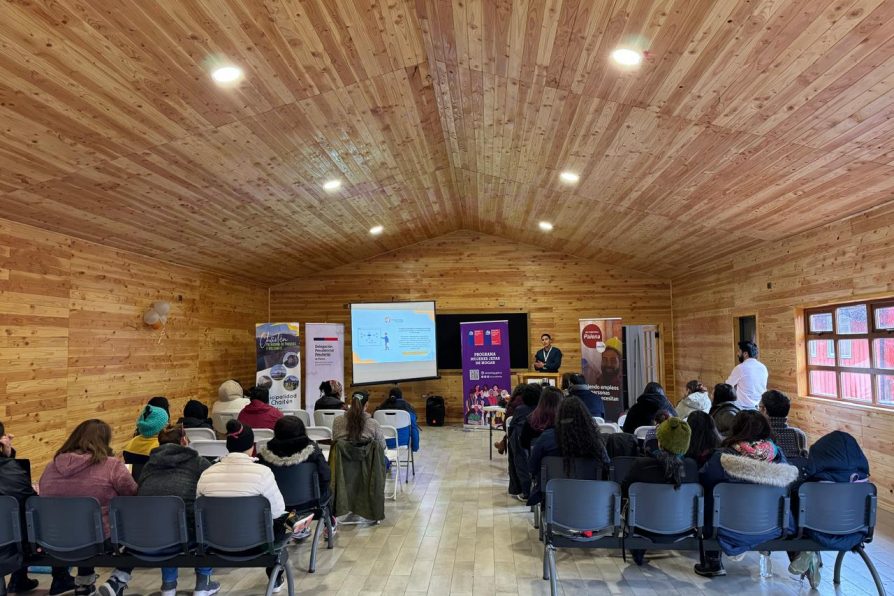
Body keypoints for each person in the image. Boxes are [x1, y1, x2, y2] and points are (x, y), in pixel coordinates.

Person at [39, 419, 138, 596]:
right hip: (98, 539)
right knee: (138, 526)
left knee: (82, 523)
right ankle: (119, 578)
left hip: (54, 538)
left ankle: (84, 583)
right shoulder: (111, 465)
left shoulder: (50, 467)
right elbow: (133, 495)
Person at [695, 411, 799, 577]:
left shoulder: (721, 458)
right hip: (773, 527)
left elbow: (704, 480)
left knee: (711, 497)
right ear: (766, 428)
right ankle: (798, 554)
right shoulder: (778, 455)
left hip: (727, 528)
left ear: (736, 429)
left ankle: (713, 561)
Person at [197, 420, 287, 592]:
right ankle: (274, 577)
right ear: (252, 447)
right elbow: (277, 511)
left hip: (215, 544)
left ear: (227, 446)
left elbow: (199, 513)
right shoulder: (263, 473)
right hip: (257, 543)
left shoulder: (206, 474)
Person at [137, 425, 216, 596]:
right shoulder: (198, 462)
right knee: (205, 520)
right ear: (183, 441)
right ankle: (203, 582)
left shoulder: (149, 466)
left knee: (165, 518)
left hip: (148, 534)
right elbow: (212, 491)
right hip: (187, 536)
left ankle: (168, 585)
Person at [787, 431, 870, 586]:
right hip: (855, 532)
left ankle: (805, 553)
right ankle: (808, 555)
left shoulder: (810, 484)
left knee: (793, 500)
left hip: (816, 531)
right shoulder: (864, 484)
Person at [622, 417, 696, 565]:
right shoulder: (692, 468)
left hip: (643, 527)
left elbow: (625, 490)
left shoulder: (641, 465)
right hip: (682, 528)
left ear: (660, 442)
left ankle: (639, 549)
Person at [257, 415, 332, 540]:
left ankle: (293, 524)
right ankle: (330, 524)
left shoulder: (263, 456)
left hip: (277, 506)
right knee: (327, 491)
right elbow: (326, 476)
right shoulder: (313, 453)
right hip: (310, 502)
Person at [527, 396, 610, 505]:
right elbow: (606, 464)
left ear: (559, 415)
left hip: (554, 504)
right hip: (590, 505)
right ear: (585, 417)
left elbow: (532, 468)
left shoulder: (546, 438)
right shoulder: (594, 442)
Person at [0, 420, 41, 594]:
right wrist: (8, 458)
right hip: (8, 546)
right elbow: (30, 502)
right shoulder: (11, 471)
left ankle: (20, 580)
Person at [506, 384, 542, 500]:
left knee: (519, 460)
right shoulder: (543, 409)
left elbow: (510, 427)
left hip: (521, 442)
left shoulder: (520, 409)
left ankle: (524, 491)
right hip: (539, 442)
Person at [758, 390, 805, 459]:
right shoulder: (799, 434)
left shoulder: (758, 435)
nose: (758, 410)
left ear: (764, 410)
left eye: (759, 407)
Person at [375, 387, 420, 452]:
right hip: (401, 442)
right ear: (401, 397)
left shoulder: (379, 410)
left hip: (382, 443)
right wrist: (415, 448)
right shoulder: (407, 409)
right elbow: (414, 429)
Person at [726, 340, 768, 409]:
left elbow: (727, 386)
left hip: (743, 408)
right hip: (759, 408)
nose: (737, 354)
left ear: (745, 354)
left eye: (739, 351)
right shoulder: (763, 367)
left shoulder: (740, 368)